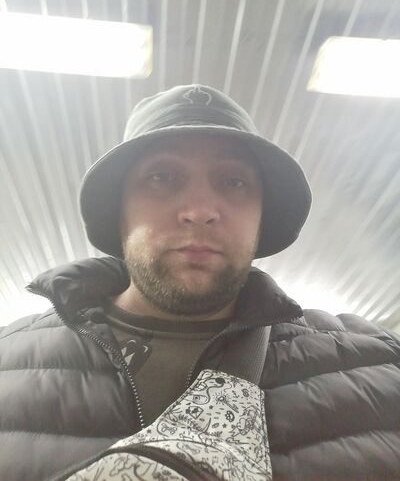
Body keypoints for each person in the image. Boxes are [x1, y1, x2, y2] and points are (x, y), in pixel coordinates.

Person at [0, 84, 399, 480]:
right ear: (119, 211)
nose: (200, 210)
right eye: (161, 176)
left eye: (234, 182)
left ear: (261, 218)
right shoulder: (7, 360)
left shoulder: (379, 362)